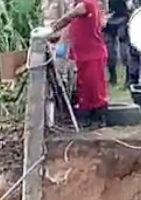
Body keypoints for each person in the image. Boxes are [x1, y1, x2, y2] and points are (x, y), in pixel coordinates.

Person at [48, 0, 109, 129]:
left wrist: (52, 28)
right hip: (84, 55)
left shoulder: (86, 4)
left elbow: (68, 17)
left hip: (93, 54)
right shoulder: (84, 6)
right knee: (85, 87)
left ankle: (98, 118)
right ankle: (87, 118)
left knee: (94, 87)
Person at [104, 0, 132, 86]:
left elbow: (130, 5)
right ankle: (113, 77)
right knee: (109, 51)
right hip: (109, 20)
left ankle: (128, 79)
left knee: (124, 51)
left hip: (122, 18)